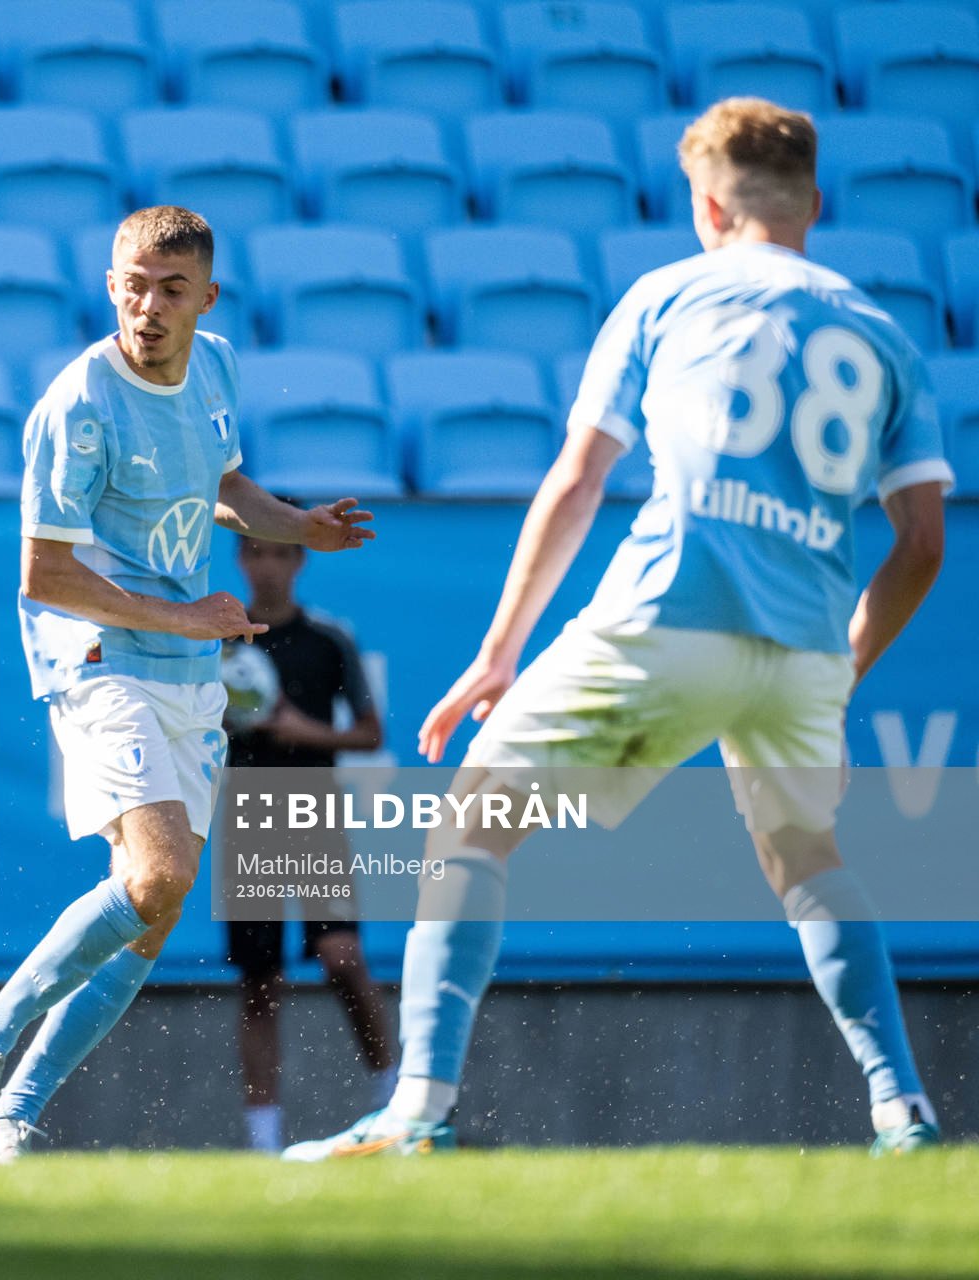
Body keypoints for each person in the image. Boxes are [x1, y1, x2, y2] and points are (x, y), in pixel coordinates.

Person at [285, 98, 950, 1161]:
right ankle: (902, 1109)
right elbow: (922, 543)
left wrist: (498, 654)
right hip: (803, 649)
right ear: (815, 204)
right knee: (807, 856)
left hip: (668, 614)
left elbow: (580, 477)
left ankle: (417, 1109)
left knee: (471, 823)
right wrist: (841, 667)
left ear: (704, 204)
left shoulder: (669, 295)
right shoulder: (883, 335)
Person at [0, 205, 376, 1162]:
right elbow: (42, 575)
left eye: (172, 288)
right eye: (133, 282)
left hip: (185, 669)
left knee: (152, 908)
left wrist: (304, 528)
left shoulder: (215, 365)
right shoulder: (78, 403)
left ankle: (9, 1119)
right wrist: (186, 616)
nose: (149, 304)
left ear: (206, 298)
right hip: (99, 658)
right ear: (110, 284)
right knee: (162, 873)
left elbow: (228, 489)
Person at [223, 533, 395, 1152]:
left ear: (300, 561)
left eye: (281, 553)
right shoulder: (220, 641)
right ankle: (264, 1143)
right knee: (259, 982)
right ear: (242, 559)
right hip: (247, 818)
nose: (268, 564)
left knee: (343, 960)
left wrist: (301, 729)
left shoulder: (328, 641)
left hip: (313, 814)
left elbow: (371, 734)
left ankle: (395, 1099)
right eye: (256, 551)